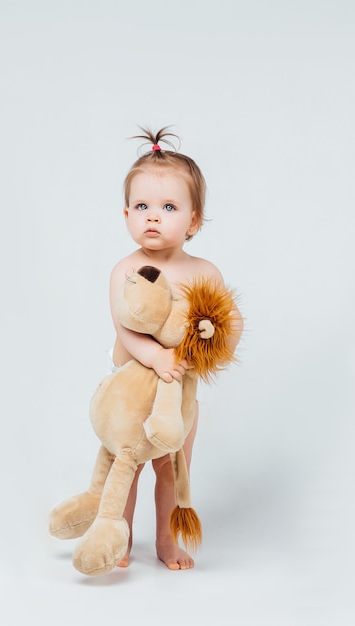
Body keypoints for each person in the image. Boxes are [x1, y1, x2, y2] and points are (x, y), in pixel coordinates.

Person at [109, 126, 243, 570]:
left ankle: (167, 541)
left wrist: (213, 341)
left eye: (168, 207)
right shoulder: (126, 269)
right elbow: (125, 330)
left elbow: (222, 326)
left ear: (193, 220)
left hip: (178, 399)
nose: (152, 216)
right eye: (142, 206)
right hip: (133, 394)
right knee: (124, 470)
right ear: (126, 212)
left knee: (172, 470)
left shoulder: (203, 272)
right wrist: (154, 356)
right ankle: (120, 538)